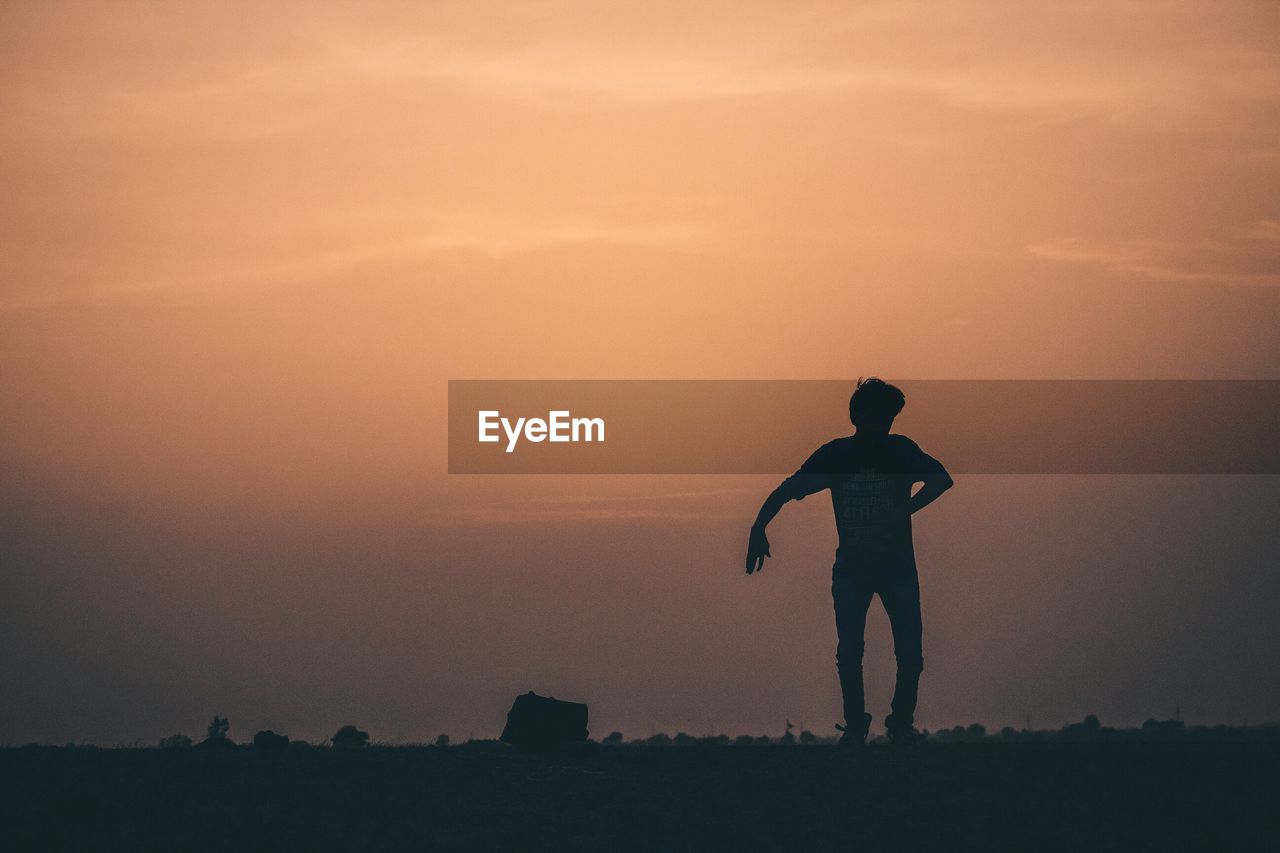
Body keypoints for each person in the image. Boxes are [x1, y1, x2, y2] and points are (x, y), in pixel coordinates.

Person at [745, 378, 953, 747]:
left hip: (897, 567)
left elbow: (941, 480)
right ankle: (855, 726)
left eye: (888, 419)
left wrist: (903, 510)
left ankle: (900, 725)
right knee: (849, 650)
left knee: (909, 650)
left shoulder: (901, 451)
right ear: (857, 416)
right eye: (875, 417)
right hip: (853, 568)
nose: (881, 426)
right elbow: (788, 489)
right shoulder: (836, 455)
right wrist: (759, 527)